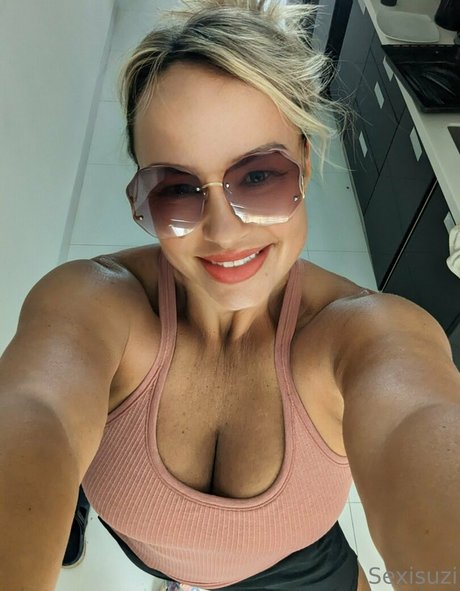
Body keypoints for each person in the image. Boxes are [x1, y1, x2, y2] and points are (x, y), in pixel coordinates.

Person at [1, 1, 459, 590]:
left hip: (292, 564)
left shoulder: (367, 336)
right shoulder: (91, 301)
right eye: (176, 189)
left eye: (259, 177)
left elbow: (420, 421)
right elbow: (34, 409)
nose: (221, 231)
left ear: (304, 163)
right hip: (147, 548)